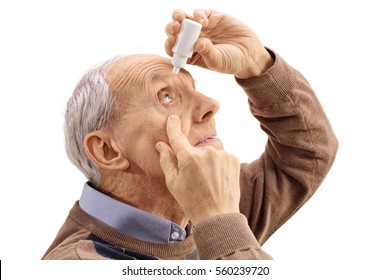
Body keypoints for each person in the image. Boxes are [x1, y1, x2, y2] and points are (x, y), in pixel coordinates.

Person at [42, 9, 338, 260]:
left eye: (193, 88)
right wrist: (218, 220)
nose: (211, 106)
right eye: (166, 97)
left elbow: (308, 153)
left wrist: (257, 66)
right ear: (108, 150)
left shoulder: (200, 203)